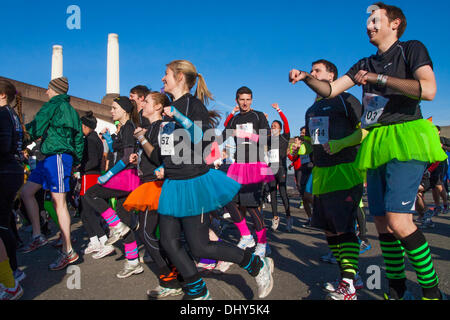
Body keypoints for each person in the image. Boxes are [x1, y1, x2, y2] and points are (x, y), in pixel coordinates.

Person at [289, 2, 447, 300]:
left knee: (400, 220)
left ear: (395, 23)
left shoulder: (411, 48)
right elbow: (331, 89)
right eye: (368, 22)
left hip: (406, 136)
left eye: (376, 20)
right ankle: (397, 290)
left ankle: (432, 292)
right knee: (381, 221)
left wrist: (380, 80)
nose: (369, 26)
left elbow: (428, 90)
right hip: (376, 141)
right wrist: (306, 77)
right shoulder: (364, 63)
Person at [156, 60, 274, 300]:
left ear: (179, 77)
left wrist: (177, 115)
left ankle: (255, 265)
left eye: (166, 74)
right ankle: (198, 291)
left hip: (193, 181)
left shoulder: (192, 105)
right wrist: (162, 165)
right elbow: (173, 146)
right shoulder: (169, 107)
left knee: (200, 246)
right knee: (168, 241)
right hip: (172, 182)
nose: (162, 79)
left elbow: (203, 139)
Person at [293, 59, 365, 300]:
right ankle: (348, 276)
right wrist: (300, 145)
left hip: (345, 168)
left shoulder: (347, 99)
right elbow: (314, 143)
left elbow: (365, 130)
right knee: (330, 229)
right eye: (311, 70)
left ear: (332, 76)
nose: (313, 74)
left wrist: (341, 143)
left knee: (344, 228)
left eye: (317, 71)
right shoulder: (311, 109)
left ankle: (348, 285)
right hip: (321, 171)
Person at [123, 91, 184, 298]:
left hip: (156, 185)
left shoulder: (165, 126)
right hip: (147, 183)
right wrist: (137, 156)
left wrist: (141, 138)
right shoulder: (150, 128)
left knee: (147, 234)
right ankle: (176, 274)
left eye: (147, 101)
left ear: (158, 107)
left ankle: (171, 278)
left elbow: (164, 156)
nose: (143, 104)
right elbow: (150, 155)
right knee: (153, 234)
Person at [21, 76, 84, 271]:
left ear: (55, 90)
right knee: (26, 192)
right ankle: (38, 235)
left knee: (59, 202)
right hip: (49, 156)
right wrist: (77, 160)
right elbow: (79, 138)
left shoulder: (54, 104)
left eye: (48, 89)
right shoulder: (72, 110)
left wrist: (20, 135)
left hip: (55, 155)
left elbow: (36, 127)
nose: (46, 92)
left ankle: (68, 250)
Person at [84, 97, 143, 276]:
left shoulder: (129, 127)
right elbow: (116, 151)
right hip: (122, 177)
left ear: (124, 110)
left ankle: (115, 226)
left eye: (114, 108)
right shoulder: (123, 128)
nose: (111, 111)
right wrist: (109, 139)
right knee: (125, 220)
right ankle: (133, 262)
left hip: (125, 177)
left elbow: (127, 157)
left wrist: (108, 175)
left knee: (91, 194)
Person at [222, 86, 274, 258]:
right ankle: (246, 236)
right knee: (232, 202)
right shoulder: (235, 118)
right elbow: (224, 134)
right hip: (238, 164)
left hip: (254, 164)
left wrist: (247, 135)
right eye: (242, 99)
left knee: (252, 206)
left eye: (248, 99)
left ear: (252, 100)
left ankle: (263, 243)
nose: (245, 103)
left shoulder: (258, 115)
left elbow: (268, 137)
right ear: (237, 100)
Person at [0, 79, 26, 295]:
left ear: (2, 95)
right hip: (13, 171)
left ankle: (11, 276)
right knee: (4, 223)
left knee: (1, 225)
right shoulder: (13, 115)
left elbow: (3, 146)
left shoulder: (3, 114)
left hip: (5, 171)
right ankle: (13, 272)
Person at [78, 111, 112, 257]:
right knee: (85, 212)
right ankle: (95, 241)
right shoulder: (94, 138)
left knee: (87, 212)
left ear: (85, 126)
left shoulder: (90, 140)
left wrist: (78, 167)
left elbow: (92, 161)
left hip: (89, 176)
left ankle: (103, 241)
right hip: (92, 176)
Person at [267, 103, 291, 231]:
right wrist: (265, 121)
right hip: (271, 168)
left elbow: (286, 122)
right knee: (272, 193)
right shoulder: (269, 139)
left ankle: (288, 218)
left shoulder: (284, 137)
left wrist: (278, 110)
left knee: (282, 193)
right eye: (271, 127)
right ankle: (275, 217)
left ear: (280, 129)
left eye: (275, 126)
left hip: (281, 168)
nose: (272, 128)